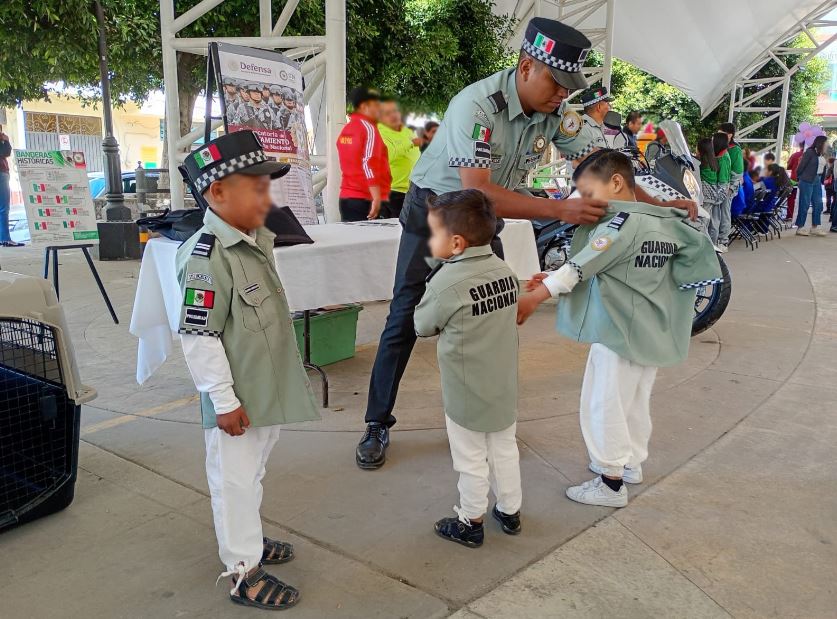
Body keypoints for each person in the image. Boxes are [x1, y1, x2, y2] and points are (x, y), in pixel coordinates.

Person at [355, 17, 696, 471]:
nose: (562, 95)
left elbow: (600, 162)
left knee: (496, 313)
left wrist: (657, 204)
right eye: (556, 83)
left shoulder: (555, 112)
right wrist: (560, 210)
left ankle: (485, 416)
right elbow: (477, 189)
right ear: (526, 66)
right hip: (436, 213)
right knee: (405, 315)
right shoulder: (475, 105)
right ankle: (377, 423)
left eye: (569, 88)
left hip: (481, 219)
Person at [516, 150, 721, 507]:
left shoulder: (621, 224)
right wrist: (549, 276)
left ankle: (609, 481)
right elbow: (616, 266)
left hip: (618, 330)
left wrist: (537, 296)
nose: (584, 202)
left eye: (588, 192)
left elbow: (585, 263)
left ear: (615, 182)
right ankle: (630, 464)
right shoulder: (663, 223)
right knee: (635, 402)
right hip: (649, 331)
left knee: (603, 403)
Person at [176, 130, 320, 610]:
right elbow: (199, 335)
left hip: (263, 389)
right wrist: (223, 401)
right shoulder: (205, 257)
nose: (268, 197)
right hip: (236, 399)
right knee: (233, 480)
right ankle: (243, 571)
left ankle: (250, 541)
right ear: (217, 192)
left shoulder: (254, 240)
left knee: (252, 471)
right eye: (257, 187)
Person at [414, 189, 522, 547]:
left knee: (470, 458)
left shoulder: (447, 283)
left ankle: (470, 520)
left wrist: (435, 277)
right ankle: (510, 511)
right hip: (503, 385)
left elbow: (422, 325)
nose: (430, 241)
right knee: (505, 449)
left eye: (434, 234)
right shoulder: (504, 271)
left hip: (465, 391)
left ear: (456, 242)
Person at [335, 87, 391, 221]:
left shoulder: (347, 130)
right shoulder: (368, 129)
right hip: (366, 199)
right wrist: (376, 197)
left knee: (353, 241)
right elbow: (368, 163)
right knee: (373, 241)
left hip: (347, 199)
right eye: (376, 105)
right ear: (364, 106)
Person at [378, 98, 421, 219]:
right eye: (388, 113)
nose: (394, 115)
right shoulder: (381, 132)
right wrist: (410, 143)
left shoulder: (406, 130)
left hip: (410, 190)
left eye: (395, 111)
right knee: (397, 231)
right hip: (392, 192)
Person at [794, 135, 828, 236]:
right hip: (806, 180)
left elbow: (824, 168)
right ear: (821, 143)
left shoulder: (823, 154)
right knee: (804, 204)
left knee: (818, 204)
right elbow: (800, 167)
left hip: (817, 180)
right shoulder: (809, 152)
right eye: (826, 142)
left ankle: (815, 227)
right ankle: (800, 227)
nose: (828, 144)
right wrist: (800, 178)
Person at [698, 137, 724, 249]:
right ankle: (712, 244)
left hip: (705, 196)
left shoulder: (701, 163)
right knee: (712, 222)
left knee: (703, 222)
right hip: (714, 194)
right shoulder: (714, 161)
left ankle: (704, 246)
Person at [0, 126, 21, 248]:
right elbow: (5, 152)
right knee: (3, 208)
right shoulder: (2, 138)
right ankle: (5, 238)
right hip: (1, 173)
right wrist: (6, 140)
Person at [713, 132, 732, 251]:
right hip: (721, 188)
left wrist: (718, 195)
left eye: (713, 139)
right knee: (720, 215)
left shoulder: (724, 157)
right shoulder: (721, 155)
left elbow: (723, 180)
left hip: (722, 189)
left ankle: (723, 242)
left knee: (722, 215)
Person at [719, 122, 745, 196]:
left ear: (730, 135)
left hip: (727, 188)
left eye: (721, 134)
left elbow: (738, 172)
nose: (718, 136)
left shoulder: (735, 150)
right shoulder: (718, 146)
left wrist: (731, 189)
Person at [786, 142, 805, 222]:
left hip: (794, 180)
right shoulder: (813, 156)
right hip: (806, 180)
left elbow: (788, 166)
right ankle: (800, 218)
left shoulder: (795, 155)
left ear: (800, 145)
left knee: (791, 198)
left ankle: (790, 215)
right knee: (804, 199)